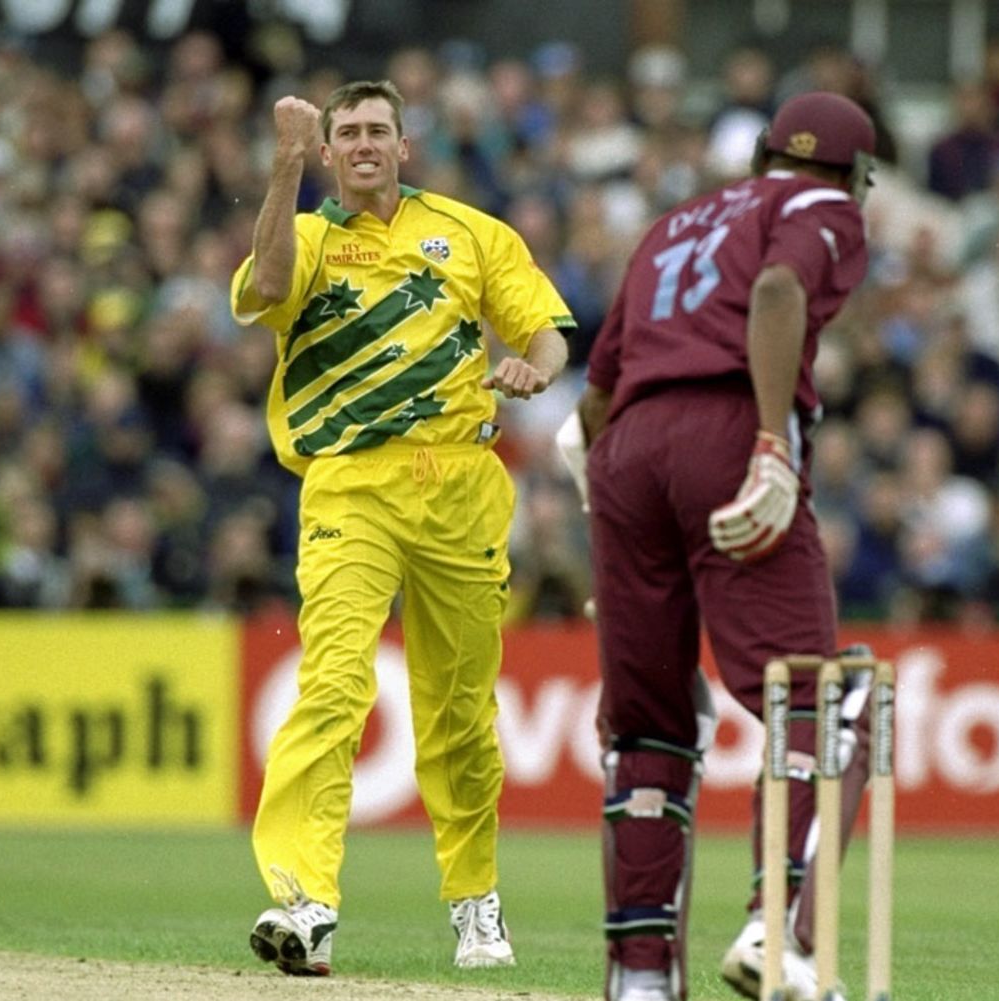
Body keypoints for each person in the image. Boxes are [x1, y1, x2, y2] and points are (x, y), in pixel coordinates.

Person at [230, 79, 575, 977]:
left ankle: (475, 904)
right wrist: (282, 165)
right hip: (351, 482)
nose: (364, 145)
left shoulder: (470, 232)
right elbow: (265, 286)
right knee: (334, 683)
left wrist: (534, 369)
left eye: (378, 130)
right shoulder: (305, 234)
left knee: (460, 712)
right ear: (330, 152)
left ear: (404, 145)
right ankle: (305, 900)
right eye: (346, 134)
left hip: (463, 483)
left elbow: (546, 332)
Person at [559, 91, 877, 1001]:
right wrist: (773, 442)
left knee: (649, 722)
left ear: (758, 157)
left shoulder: (673, 224)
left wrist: (615, 541)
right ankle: (784, 935)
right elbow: (777, 291)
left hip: (625, 456)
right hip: (729, 430)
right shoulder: (822, 207)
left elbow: (596, 396)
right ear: (853, 175)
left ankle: (641, 978)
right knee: (823, 698)